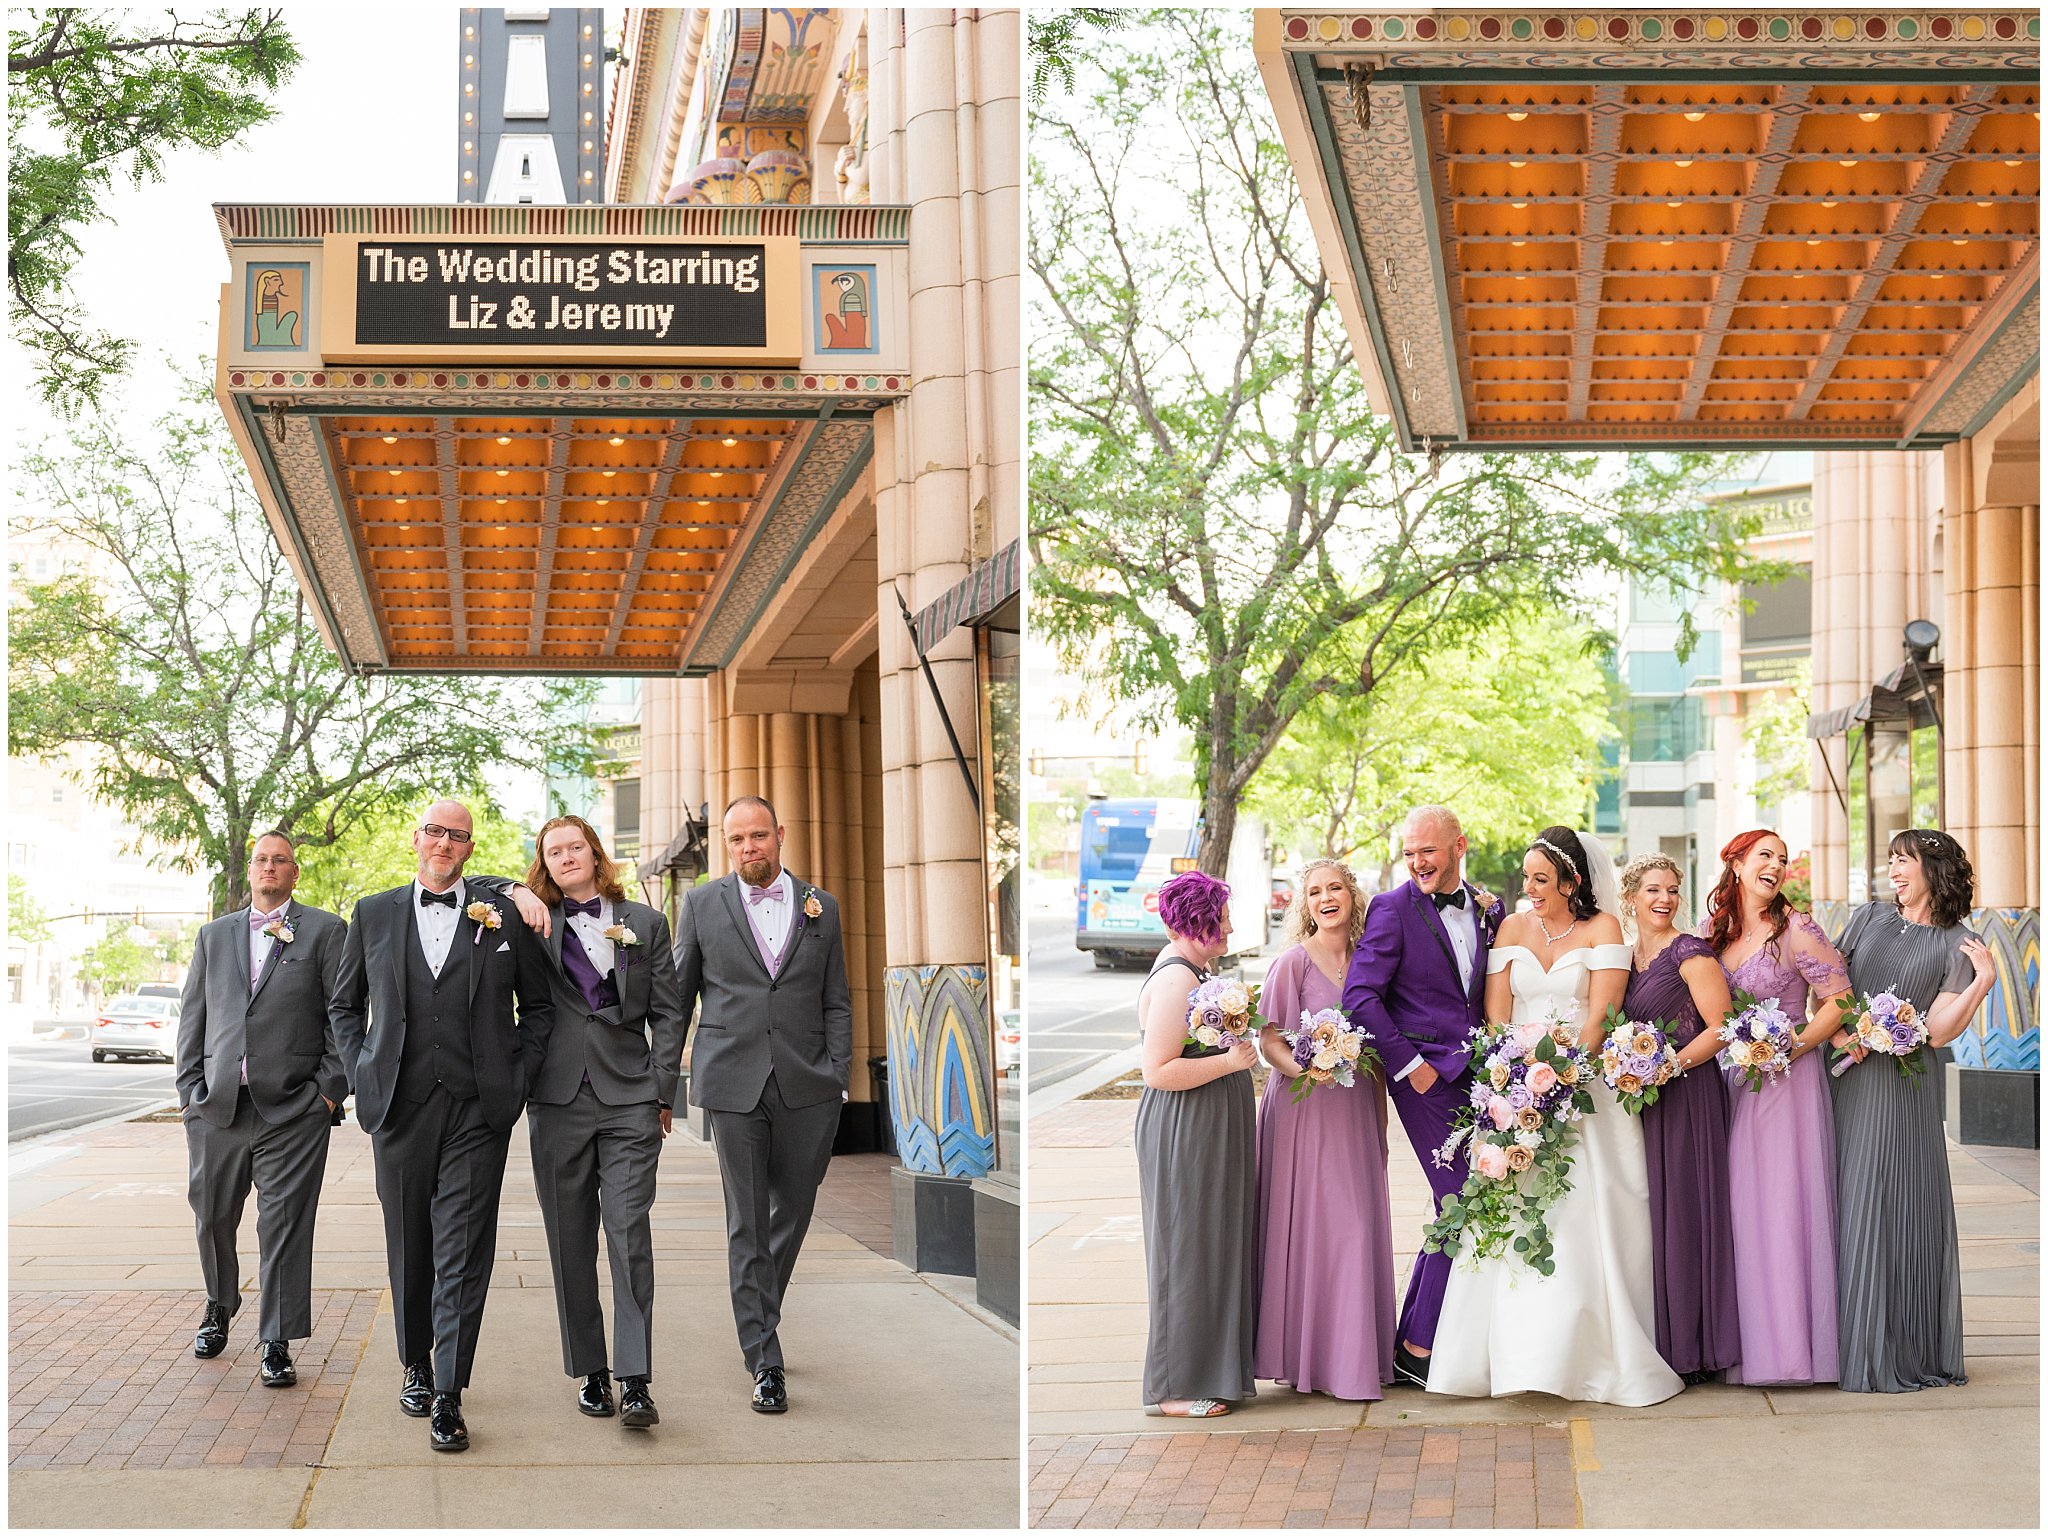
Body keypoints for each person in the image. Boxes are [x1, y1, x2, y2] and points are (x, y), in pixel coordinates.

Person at [329, 799, 556, 1453]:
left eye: (458, 835)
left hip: (478, 1107)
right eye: (435, 831)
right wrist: (362, 1066)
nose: (444, 843)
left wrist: (515, 1068)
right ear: (416, 837)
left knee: (463, 1248)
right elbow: (344, 1005)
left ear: (469, 847)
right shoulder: (373, 912)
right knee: (411, 1242)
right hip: (397, 1104)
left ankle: (450, 1392)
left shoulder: (504, 914)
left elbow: (539, 1006)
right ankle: (416, 1363)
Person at [1428, 827, 1682, 1407]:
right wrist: (1512, 1088)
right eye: (1527, 878)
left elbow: (1602, 1014)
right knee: (1512, 1219)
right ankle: (1510, 1358)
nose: (1530, 889)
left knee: (1578, 1224)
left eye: (1541, 880)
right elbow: (1496, 1018)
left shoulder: (1602, 929)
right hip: (1512, 1091)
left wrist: (1558, 1084)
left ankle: (1583, 1357)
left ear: (1571, 882)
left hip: (1584, 1090)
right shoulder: (1512, 929)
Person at [675, 795, 852, 1414]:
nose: (748, 848)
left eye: (758, 836)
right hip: (732, 1084)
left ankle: (758, 1310)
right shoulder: (700, 903)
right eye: (736, 840)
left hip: (809, 1084)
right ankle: (764, 1355)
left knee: (794, 1209)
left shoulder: (821, 906)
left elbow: (836, 998)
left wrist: (837, 1073)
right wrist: (660, 1080)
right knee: (746, 1217)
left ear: (779, 833)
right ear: (727, 846)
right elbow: (679, 994)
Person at [514, 815, 685, 1429]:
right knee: (569, 1240)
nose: (564, 858)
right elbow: (467, 885)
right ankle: (590, 1370)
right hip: (557, 1099)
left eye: (573, 847)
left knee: (628, 1231)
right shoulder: (531, 920)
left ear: (594, 852)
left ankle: (635, 1378)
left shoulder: (645, 923)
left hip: (631, 1097)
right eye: (551, 852)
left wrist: (662, 1088)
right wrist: (514, 890)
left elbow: (668, 1012)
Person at [176, 831, 346, 1387]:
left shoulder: (325, 931)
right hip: (218, 1108)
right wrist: (189, 1098)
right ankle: (219, 1303)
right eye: (261, 860)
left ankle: (276, 1338)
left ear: (295, 873)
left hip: (295, 1109)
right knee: (213, 1217)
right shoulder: (214, 935)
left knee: (284, 1225)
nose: (269, 868)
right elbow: (193, 1020)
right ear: (250, 871)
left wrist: (327, 1092)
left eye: (280, 861)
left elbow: (342, 1018)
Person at [1340, 805, 1500, 1388]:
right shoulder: (1390, 908)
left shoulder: (1490, 909)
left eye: (1427, 851)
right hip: (1426, 1079)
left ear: (1460, 845)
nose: (1416, 862)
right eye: (1409, 852)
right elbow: (1360, 998)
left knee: (1468, 1200)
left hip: (1482, 1076)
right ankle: (1417, 1345)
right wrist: (1412, 1065)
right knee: (1461, 1199)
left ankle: (1415, 1339)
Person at [1831, 829, 1997, 1392]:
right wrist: (1840, 1032)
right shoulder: (1867, 917)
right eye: (1892, 859)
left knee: (1892, 1205)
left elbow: (1940, 1029)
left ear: (1934, 870)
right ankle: (1840, 1340)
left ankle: (1891, 1346)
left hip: (1903, 1091)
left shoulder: (1959, 943)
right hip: (1846, 1080)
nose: (1894, 870)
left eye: (1905, 861)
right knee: (1847, 1201)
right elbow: (1829, 987)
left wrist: (1984, 984)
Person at [1703, 828, 1850, 1387]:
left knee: (1781, 1206)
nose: (1776, 866)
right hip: (1731, 1078)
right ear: (1736, 863)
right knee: (1741, 1206)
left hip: (1786, 1082)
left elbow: (1840, 999)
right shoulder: (1712, 933)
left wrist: (1795, 1044)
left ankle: (1789, 1350)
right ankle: (1743, 1342)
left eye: (1783, 859)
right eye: (1766, 855)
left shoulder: (1797, 929)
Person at [1253, 859, 1396, 1401]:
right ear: (1305, 905)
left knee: (1356, 1228)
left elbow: (1380, 1043)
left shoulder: (1372, 961)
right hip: (1303, 1111)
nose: (1325, 898)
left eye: (1334, 887)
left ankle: (1354, 1360)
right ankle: (1308, 1360)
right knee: (1316, 1229)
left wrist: (1380, 1117)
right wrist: (1307, 1069)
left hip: (1356, 1108)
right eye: (1314, 892)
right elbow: (1269, 1041)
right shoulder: (1293, 963)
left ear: (1351, 895)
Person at [1134, 868, 1258, 1417]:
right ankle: (1173, 1390)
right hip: (1187, 1129)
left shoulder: (1194, 972)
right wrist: (1231, 1062)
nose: (1230, 930)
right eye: (1224, 921)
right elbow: (1157, 1069)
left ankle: (1211, 1370)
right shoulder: (1178, 980)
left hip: (1208, 1125)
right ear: (1199, 922)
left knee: (1211, 1248)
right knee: (1185, 1252)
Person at [1619, 854, 1739, 1385]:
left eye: (1671, 890)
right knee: (1653, 1216)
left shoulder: (1690, 951)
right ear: (1631, 899)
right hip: (1643, 1101)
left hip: (1689, 1097)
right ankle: (1661, 1339)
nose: (1664, 899)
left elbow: (1723, 1026)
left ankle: (1695, 1346)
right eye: (1652, 890)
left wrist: (1667, 1066)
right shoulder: (1627, 958)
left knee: (1686, 1212)